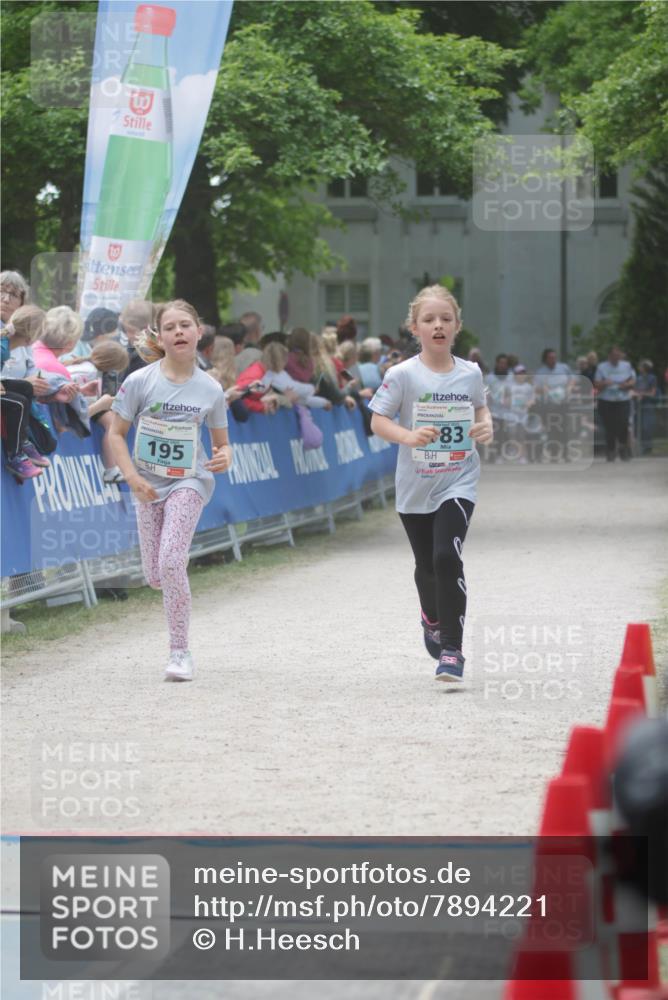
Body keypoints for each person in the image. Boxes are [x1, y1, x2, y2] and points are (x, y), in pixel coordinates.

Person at [369, 285, 493, 682]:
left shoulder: (469, 372)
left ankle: (453, 652)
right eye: (429, 320)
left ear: (457, 326)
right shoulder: (402, 375)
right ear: (415, 328)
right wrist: (407, 436)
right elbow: (378, 420)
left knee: (445, 557)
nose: (438, 325)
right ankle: (432, 617)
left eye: (445, 319)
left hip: (458, 480)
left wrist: (486, 425)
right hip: (415, 487)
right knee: (426, 566)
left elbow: (480, 406)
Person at [109, 299, 232, 682]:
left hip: (188, 480)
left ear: (198, 332)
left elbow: (221, 443)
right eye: (170, 327)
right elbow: (115, 434)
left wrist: (225, 456)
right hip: (146, 483)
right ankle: (169, 583)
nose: (178, 332)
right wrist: (132, 477)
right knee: (155, 574)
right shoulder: (141, 381)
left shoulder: (211, 389)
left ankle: (180, 652)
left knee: (172, 560)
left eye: (185, 325)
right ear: (159, 337)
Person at [594, 346, 636, 461]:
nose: (616, 357)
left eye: (618, 355)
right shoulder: (601, 367)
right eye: (614, 355)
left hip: (623, 399)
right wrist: (604, 383)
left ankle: (623, 449)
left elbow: (632, 380)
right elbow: (596, 384)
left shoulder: (626, 365)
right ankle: (611, 450)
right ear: (609, 356)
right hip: (606, 400)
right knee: (610, 427)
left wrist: (626, 385)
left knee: (624, 424)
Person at [633, 359, 657, 455]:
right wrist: (635, 394)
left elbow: (652, 393)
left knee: (647, 427)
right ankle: (641, 447)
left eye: (640, 366)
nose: (639, 368)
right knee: (638, 427)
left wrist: (642, 394)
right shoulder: (638, 378)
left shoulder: (652, 378)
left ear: (645, 368)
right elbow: (635, 390)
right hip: (638, 405)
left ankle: (648, 447)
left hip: (647, 405)